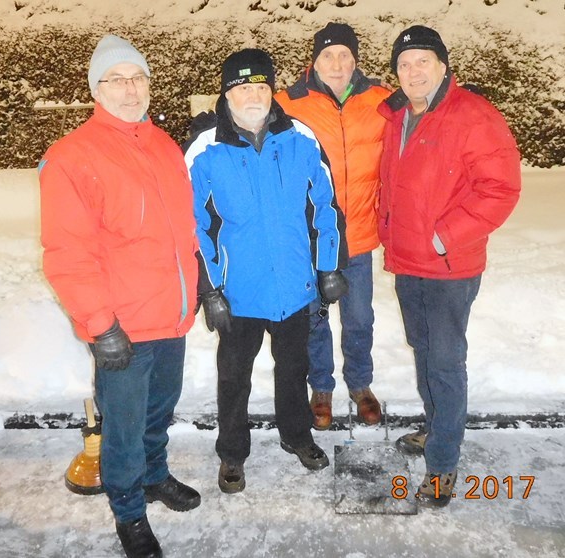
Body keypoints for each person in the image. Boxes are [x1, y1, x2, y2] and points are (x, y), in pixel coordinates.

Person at [39, 34, 200, 558]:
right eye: (117, 79)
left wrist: (197, 285)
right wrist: (99, 324)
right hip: (121, 326)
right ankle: (129, 512)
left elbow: (183, 231)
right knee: (124, 428)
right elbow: (68, 252)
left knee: (160, 410)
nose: (130, 90)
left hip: (170, 315)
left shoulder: (164, 145)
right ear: (96, 89)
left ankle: (154, 475)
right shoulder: (72, 156)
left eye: (138, 78)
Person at [184, 48, 348, 494]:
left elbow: (326, 207)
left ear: (272, 90)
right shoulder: (205, 150)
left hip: (295, 285)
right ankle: (232, 452)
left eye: (260, 86)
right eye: (242, 87)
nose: (252, 95)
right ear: (226, 94)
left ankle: (297, 435)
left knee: (293, 369)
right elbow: (193, 227)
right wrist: (210, 291)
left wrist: (329, 267)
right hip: (238, 292)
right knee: (234, 377)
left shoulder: (300, 137)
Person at [377, 25, 521, 507]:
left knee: (443, 361)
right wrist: (389, 230)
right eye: (404, 64)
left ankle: (442, 462)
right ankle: (437, 427)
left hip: (448, 266)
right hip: (408, 262)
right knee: (423, 353)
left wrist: (444, 236)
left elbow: (500, 189)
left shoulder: (473, 115)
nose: (413, 71)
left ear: (442, 65)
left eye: (422, 61)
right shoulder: (398, 116)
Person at [276, 22, 391, 430]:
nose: (337, 64)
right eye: (328, 55)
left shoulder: (382, 101)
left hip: (358, 234)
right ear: (315, 61)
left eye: (345, 55)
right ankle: (321, 387)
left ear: (355, 60)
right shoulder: (288, 103)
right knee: (314, 318)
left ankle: (360, 384)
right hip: (311, 238)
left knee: (359, 318)